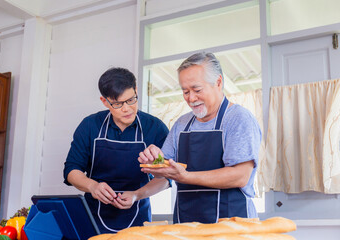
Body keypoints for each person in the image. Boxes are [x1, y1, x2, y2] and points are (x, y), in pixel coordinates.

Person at [138, 52, 262, 224]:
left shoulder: (238, 119)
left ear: (218, 83)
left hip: (232, 227)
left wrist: (186, 176)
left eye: (197, 90)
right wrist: (155, 160)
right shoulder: (181, 124)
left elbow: (240, 176)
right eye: (185, 91)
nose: (191, 98)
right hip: (186, 226)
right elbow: (164, 174)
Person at [63, 67, 169, 233]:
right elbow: (71, 170)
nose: (126, 109)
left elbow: (165, 178)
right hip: (92, 217)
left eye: (131, 100)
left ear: (136, 91)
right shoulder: (90, 125)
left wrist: (137, 195)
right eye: (118, 104)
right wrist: (92, 186)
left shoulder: (155, 128)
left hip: (138, 217)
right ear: (105, 101)